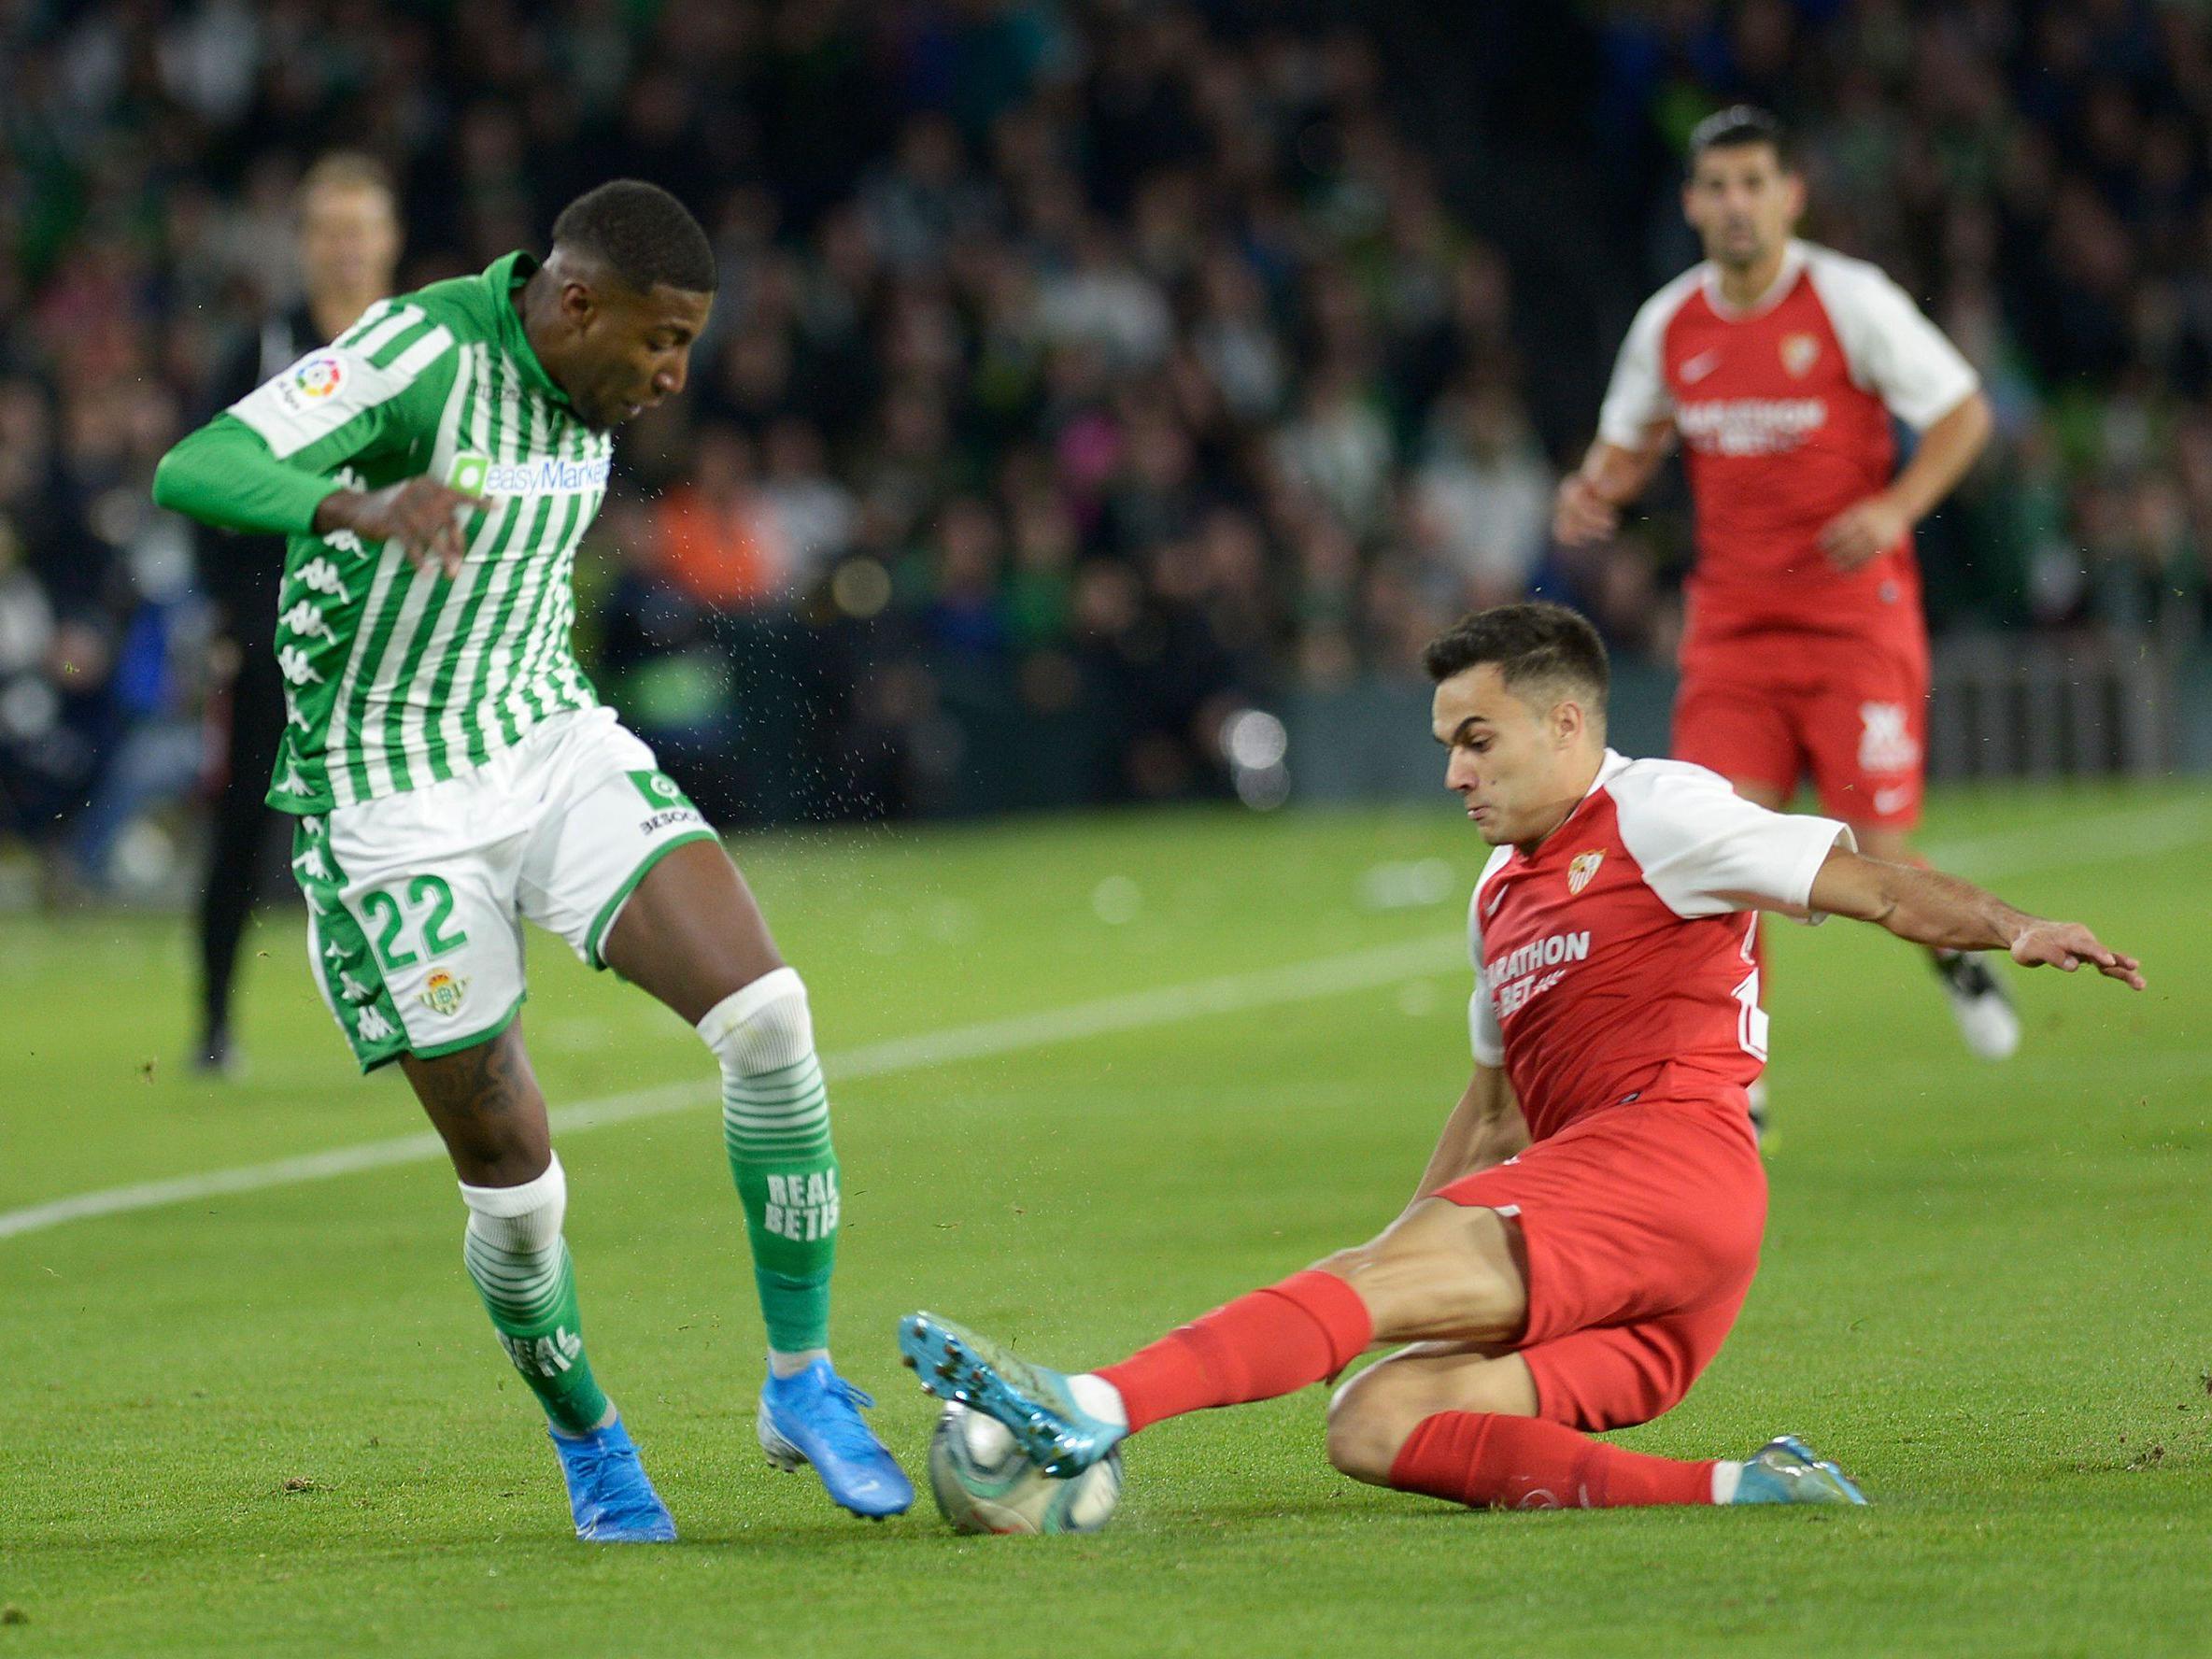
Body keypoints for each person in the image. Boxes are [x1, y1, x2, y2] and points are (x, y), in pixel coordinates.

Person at [898, 602, 2140, 1512]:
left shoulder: (1665, 811)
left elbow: (1871, 884)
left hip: (1672, 1161)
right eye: (1447, 741)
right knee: (1375, 1420)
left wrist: (2013, 926)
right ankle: (1738, 1494)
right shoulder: (1500, 894)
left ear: (1563, 722)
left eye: (1478, 739)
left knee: (1373, 1288)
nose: (1454, 772)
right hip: (1662, 1289)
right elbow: (1493, 1118)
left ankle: (1091, 1404)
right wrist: (1397, 1251)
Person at [153, 179, 913, 1539]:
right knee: (513, 1179)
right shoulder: (418, 355)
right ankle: (593, 1443)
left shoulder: (594, 386)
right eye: (660, 342)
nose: (675, 377)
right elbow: (198, 464)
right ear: (576, 304)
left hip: (542, 738)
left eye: (689, 345)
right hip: (390, 802)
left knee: (771, 1019)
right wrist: (355, 509)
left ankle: (802, 1382)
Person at [1553, 106, 2013, 1135]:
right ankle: (1736, 1085)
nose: (1735, 205)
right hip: (1733, 629)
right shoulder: (1669, 323)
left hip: (1855, 624)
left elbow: (1962, 411)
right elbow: (1629, 445)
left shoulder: (1849, 302)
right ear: (1691, 204)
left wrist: (1894, 506)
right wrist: (1596, 488)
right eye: (1716, 187)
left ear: (1789, 195)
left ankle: (1956, 956)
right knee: (1720, 848)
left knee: (1882, 844)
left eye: (1753, 183)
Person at [191, 152, 404, 1076]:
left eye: (359, 230)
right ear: (303, 245)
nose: (345, 249)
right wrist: (235, 622)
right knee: (245, 820)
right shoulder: (263, 351)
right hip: (284, 629)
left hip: (396, 630)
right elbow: (206, 483)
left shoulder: (414, 346)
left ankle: (429, 1015)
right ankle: (213, 1024)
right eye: (328, 231)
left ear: (389, 242)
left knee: (411, 824)